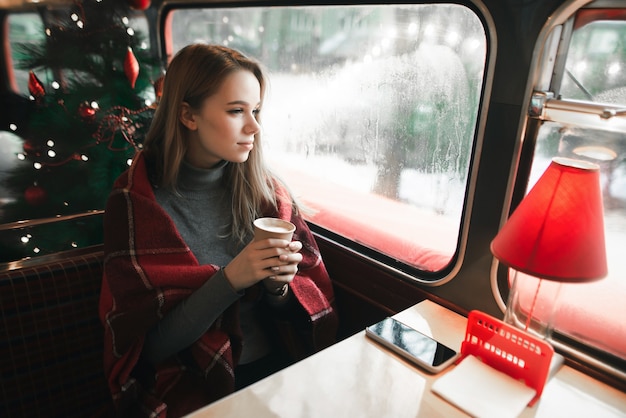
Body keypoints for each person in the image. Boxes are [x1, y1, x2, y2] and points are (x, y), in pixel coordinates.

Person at [99, 43, 338, 418]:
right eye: (235, 111)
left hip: (278, 370)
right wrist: (230, 280)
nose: (254, 126)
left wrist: (278, 285)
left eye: (256, 110)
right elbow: (146, 351)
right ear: (188, 116)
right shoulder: (136, 203)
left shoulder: (265, 193)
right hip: (196, 384)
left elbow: (292, 314)